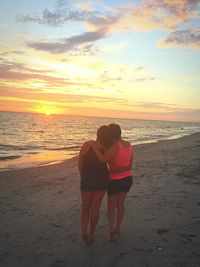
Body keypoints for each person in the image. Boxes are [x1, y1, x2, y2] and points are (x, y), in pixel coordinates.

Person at [91, 124, 133, 241]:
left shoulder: (115, 146)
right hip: (128, 178)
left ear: (111, 135)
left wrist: (94, 147)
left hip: (115, 180)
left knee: (111, 207)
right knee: (121, 204)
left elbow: (103, 159)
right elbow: (129, 165)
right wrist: (124, 169)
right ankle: (118, 228)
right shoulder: (129, 145)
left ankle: (111, 232)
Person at [78, 125, 112, 244]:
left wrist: (82, 176)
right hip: (102, 180)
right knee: (95, 208)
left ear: (97, 134)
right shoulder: (108, 148)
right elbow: (109, 164)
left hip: (87, 178)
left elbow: (80, 163)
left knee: (86, 206)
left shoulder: (87, 145)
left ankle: (84, 232)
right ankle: (91, 233)